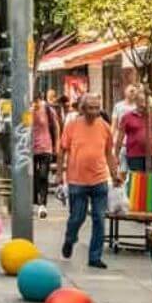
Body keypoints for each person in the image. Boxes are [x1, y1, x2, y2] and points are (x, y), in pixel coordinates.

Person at [57, 93, 119, 269]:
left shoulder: (105, 127)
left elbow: (109, 153)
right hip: (77, 179)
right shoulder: (72, 126)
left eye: (96, 108)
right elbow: (62, 150)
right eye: (90, 108)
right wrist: (59, 174)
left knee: (99, 218)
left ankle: (94, 257)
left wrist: (114, 174)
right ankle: (70, 239)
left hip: (99, 179)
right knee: (77, 217)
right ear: (82, 109)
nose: (94, 111)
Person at [115, 92, 152, 175]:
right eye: (141, 101)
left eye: (146, 101)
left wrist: (151, 108)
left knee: (150, 181)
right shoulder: (127, 116)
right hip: (134, 155)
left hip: (151, 154)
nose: (144, 104)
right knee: (138, 181)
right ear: (136, 102)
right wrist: (116, 155)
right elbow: (120, 137)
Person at [32, 93, 60, 219]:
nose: (35, 105)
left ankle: (42, 204)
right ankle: (34, 200)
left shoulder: (48, 110)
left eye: (36, 102)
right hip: (29, 149)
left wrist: (57, 145)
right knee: (32, 176)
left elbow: (56, 128)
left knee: (43, 175)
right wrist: (30, 113)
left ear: (40, 100)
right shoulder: (26, 110)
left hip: (45, 147)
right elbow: (22, 127)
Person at [111, 85, 138, 175]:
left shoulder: (138, 107)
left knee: (134, 172)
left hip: (135, 144)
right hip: (122, 143)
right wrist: (111, 140)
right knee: (122, 170)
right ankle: (122, 187)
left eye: (135, 91)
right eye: (131, 91)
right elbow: (114, 125)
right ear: (125, 92)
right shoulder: (118, 106)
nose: (133, 93)